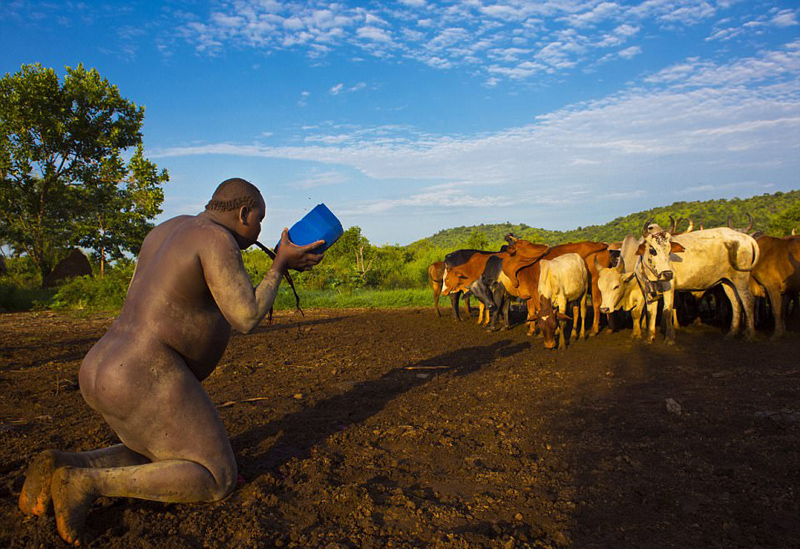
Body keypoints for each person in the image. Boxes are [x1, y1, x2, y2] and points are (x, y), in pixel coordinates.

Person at [18, 178, 324, 545]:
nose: (259, 230)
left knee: (157, 453)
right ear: (244, 213)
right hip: (144, 372)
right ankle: (87, 483)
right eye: (259, 220)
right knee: (216, 476)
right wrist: (278, 267)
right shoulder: (216, 239)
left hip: (102, 363)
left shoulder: (165, 230)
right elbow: (246, 316)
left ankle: (64, 464)